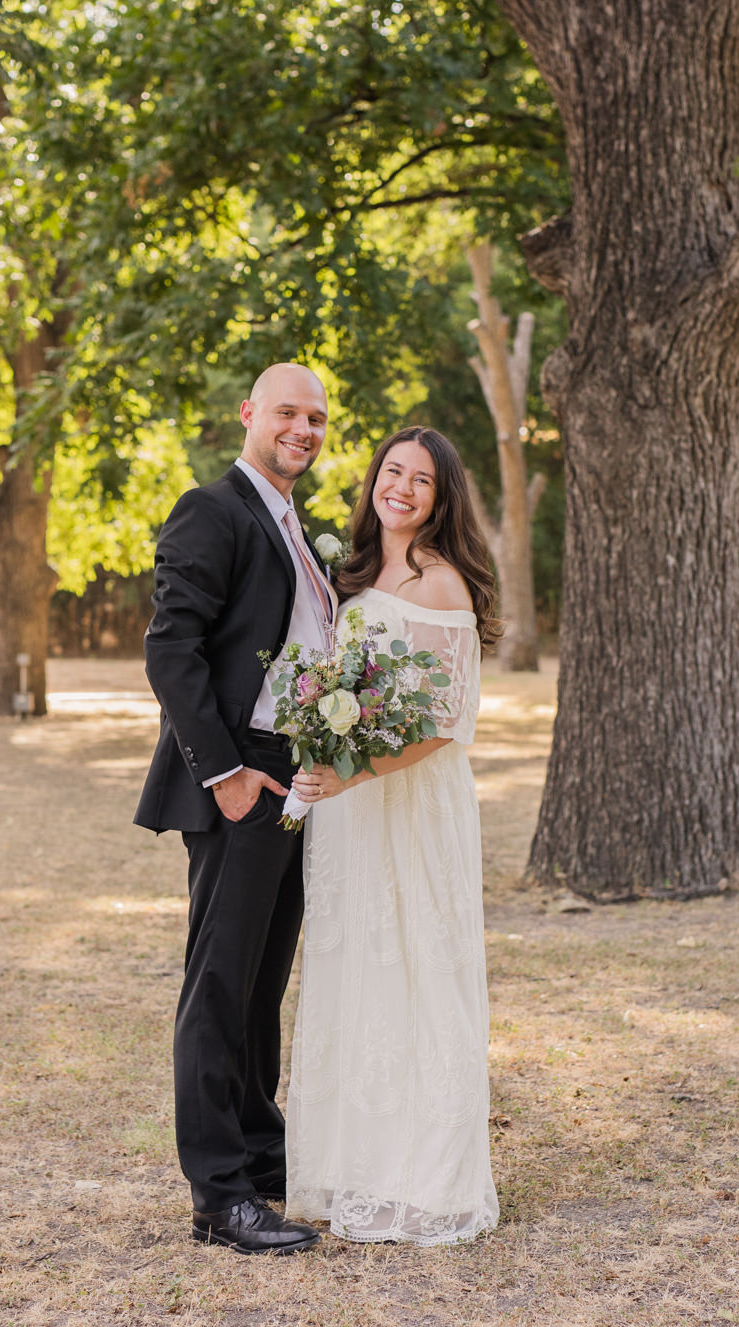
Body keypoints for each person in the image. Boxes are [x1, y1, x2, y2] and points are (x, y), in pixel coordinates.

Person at [134, 363, 340, 1255]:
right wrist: (224, 774)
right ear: (250, 414)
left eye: (319, 418)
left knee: (261, 984)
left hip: (293, 778)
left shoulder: (298, 526)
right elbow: (169, 646)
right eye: (289, 412)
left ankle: (262, 1161)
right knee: (219, 986)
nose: (305, 428)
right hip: (240, 779)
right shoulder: (210, 508)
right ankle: (217, 1197)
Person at [286, 425, 502, 1246]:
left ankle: (427, 1181)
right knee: (354, 970)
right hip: (351, 812)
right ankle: (353, 1165)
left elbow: (448, 722)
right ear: (373, 478)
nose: (402, 487)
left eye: (422, 480)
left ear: (443, 499)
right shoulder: (351, 572)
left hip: (409, 802)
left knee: (416, 969)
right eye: (392, 471)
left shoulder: (441, 583)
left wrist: (354, 772)